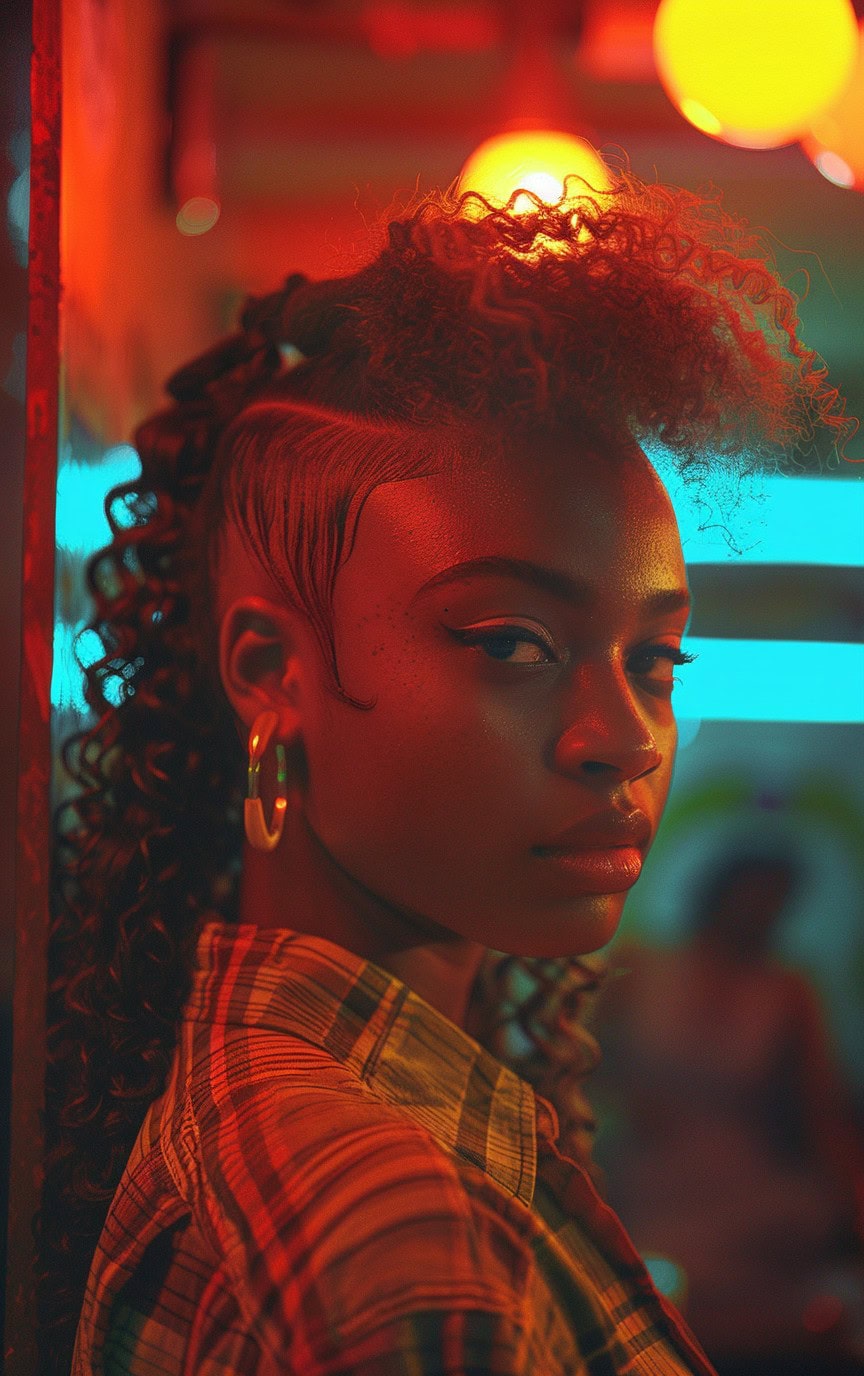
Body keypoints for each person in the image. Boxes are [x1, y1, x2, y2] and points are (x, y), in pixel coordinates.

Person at [38, 176, 851, 1376]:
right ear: (269, 669)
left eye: (655, 658)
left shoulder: (290, 1115)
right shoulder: (397, 1239)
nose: (620, 735)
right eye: (514, 643)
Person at [592, 848, 864, 1368]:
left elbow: (818, 1109)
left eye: (776, 899)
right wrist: (628, 1105)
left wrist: (848, 1198)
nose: (761, 909)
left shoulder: (788, 990)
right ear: (720, 889)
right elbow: (576, 1061)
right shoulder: (642, 962)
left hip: (739, 1164)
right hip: (644, 1157)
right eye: (754, 893)